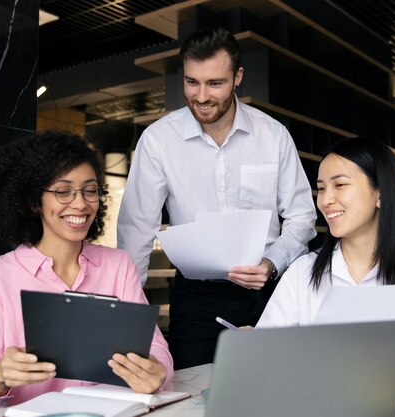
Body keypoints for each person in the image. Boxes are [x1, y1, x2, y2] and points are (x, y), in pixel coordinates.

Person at [117, 26, 316, 369]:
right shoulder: (158, 140)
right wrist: (126, 314)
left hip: (265, 293)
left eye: (215, 83)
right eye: (192, 82)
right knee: (191, 390)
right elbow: (136, 230)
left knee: (270, 387)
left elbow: (301, 217)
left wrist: (272, 264)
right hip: (196, 298)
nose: (201, 95)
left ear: (238, 77)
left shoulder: (273, 135)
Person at [0, 131, 174, 414]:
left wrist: (157, 372)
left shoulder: (118, 267)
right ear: (34, 201)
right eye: (63, 191)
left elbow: (156, 348)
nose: (80, 204)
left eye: (90, 190)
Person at [256, 136, 395, 394]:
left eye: (340, 184)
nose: (325, 200)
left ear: (380, 194)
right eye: (321, 188)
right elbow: (267, 364)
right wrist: (254, 350)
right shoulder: (302, 273)